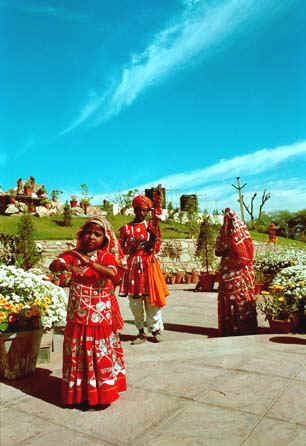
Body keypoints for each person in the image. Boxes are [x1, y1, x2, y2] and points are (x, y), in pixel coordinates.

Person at [49, 216, 126, 410]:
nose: (91, 237)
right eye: (88, 233)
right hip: (78, 314)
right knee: (78, 350)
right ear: (81, 235)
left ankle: (101, 395)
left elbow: (112, 274)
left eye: (97, 234)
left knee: (98, 351)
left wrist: (88, 262)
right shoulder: (73, 254)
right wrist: (59, 264)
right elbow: (55, 265)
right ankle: (79, 394)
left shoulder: (104, 256)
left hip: (99, 315)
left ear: (105, 239)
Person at [119, 195, 168, 344]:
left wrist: (153, 240)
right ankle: (140, 332)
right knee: (135, 301)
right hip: (134, 265)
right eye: (140, 210)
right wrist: (131, 247)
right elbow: (121, 249)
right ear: (134, 210)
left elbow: (157, 248)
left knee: (151, 298)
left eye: (145, 210)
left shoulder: (151, 226)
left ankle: (155, 329)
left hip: (149, 264)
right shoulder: (126, 229)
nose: (142, 213)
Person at [215, 208, 257, 336]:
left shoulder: (239, 234)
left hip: (239, 274)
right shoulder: (224, 233)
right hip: (229, 273)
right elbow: (217, 251)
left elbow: (242, 256)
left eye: (229, 218)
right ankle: (231, 327)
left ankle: (242, 327)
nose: (227, 221)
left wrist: (227, 252)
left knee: (239, 300)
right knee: (230, 300)